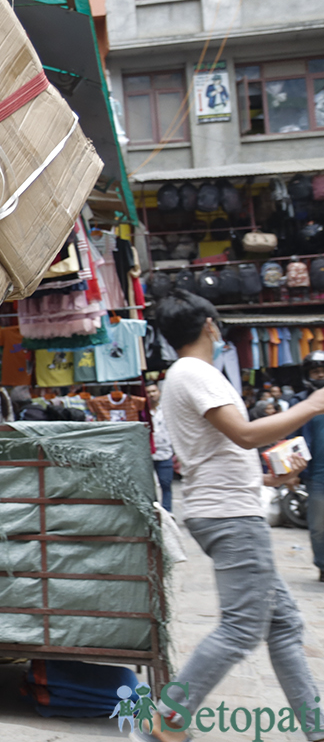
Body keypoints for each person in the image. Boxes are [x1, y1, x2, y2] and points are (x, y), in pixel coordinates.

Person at [138, 291, 324, 742]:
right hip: (231, 517)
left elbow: (216, 454)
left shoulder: (187, 374)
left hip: (228, 507)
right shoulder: (193, 372)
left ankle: (316, 727)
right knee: (242, 629)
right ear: (209, 325)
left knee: (284, 626)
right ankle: (166, 717)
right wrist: (314, 403)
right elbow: (243, 435)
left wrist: (270, 480)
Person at [292, 351, 324, 582]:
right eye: (315, 371)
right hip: (316, 474)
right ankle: (322, 565)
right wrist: (291, 473)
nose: (320, 375)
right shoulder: (300, 402)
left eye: (323, 371)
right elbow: (291, 437)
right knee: (319, 526)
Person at [144, 381, 174, 512]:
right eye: (148, 392)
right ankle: (155, 513)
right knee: (149, 487)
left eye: (153, 391)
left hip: (165, 453)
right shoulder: (142, 412)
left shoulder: (167, 410)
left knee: (166, 484)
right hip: (146, 454)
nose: (151, 395)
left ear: (159, 392)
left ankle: (167, 513)